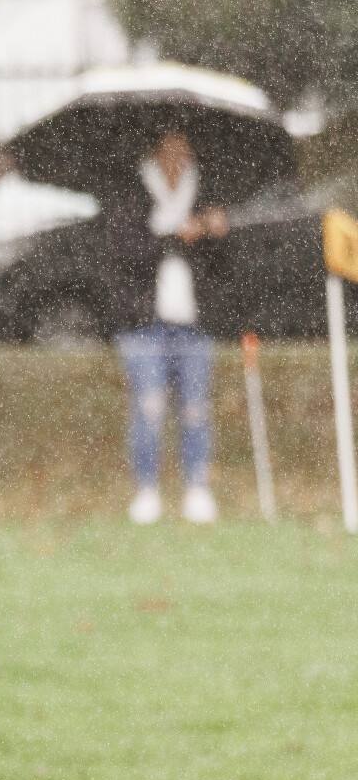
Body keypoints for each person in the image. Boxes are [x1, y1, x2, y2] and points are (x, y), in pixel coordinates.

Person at [108, 128, 229, 524]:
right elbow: (124, 252)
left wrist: (212, 232)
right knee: (149, 407)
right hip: (143, 322)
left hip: (194, 321)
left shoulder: (206, 190)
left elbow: (223, 263)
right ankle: (147, 489)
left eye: (184, 150)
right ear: (155, 153)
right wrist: (175, 235)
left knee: (195, 408)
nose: (178, 159)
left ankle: (197, 487)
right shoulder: (131, 192)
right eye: (170, 151)